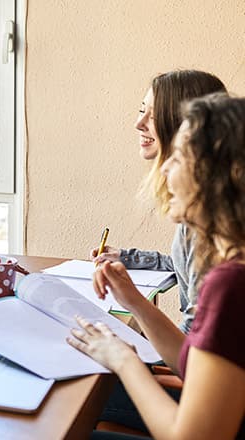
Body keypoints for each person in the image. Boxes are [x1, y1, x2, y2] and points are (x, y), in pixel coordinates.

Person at [69, 94, 245, 439]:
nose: (164, 169)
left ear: (217, 175)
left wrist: (123, 359)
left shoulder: (232, 283)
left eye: (177, 157)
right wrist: (134, 301)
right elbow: (194, 366)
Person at [90, 70, 227, 333]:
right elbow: (186, 267)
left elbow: (194, 346)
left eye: (152, 115)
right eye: (141, 110)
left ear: (185, 126)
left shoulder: (205, 220)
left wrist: (123, 354)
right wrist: (127, 258)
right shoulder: (204, 207)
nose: (139, 123)